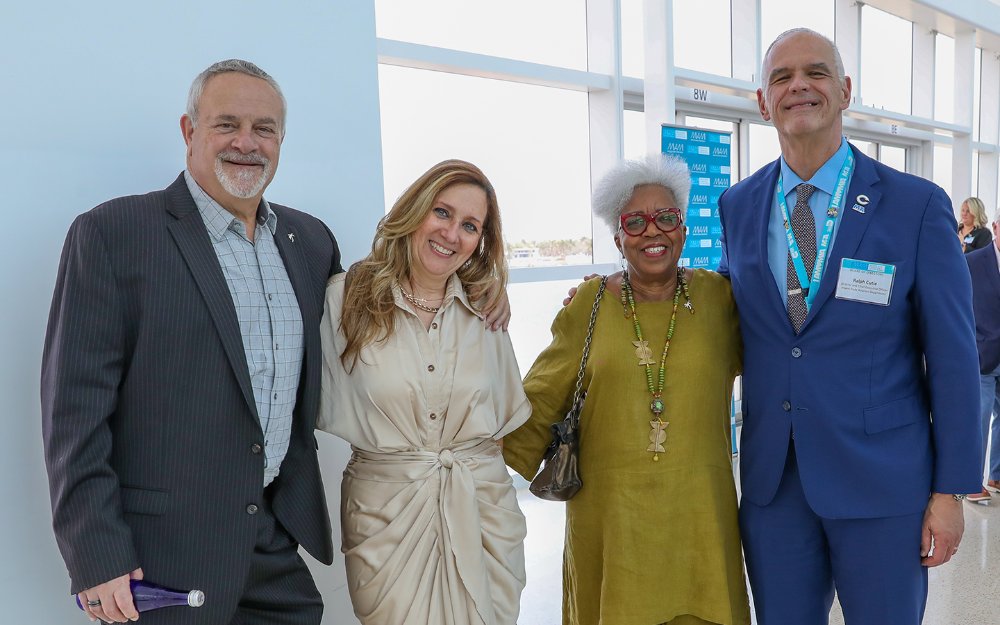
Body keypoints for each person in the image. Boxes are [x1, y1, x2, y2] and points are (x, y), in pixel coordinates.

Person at [41, 59, 341, 625]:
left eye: (265, 129)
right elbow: (74, 417)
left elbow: (372, 315)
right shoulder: (113, 234)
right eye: (227, 124)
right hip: (159, 557)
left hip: (272, 541)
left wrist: (481, 291)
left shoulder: (311, 242)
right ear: (189, 131)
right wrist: (95, 554)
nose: (247, 144)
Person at [717, 28, 981, 625]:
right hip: (774, 487)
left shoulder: (914, 205)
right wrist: (625, 290)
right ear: (763, 102)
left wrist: (949, 492)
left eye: (815, 73)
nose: (798, 86)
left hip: (884, 485)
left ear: (844, 90)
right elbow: (721, 307)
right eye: (781, 77)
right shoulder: (738, 206)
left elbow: (954, 357)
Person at [505, 155, 750, 625]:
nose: (651, 231)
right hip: (610, 527)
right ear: (617, 237)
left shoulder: (720, 300)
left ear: (683, 229)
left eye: (666, 218)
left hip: (699, 523)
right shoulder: (587, 306)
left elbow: (788, 355)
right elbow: (534, 407)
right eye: (634, 221)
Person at [316, 159, 531, 625]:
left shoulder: (485, 310)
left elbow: (499, 428)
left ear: (481, 242)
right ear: (414, 211)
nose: (452, 233)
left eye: (470, 225)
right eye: (442, 212)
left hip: (483, 512)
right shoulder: (345, 300)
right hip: (387, 522)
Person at [965, 210, 1000, 503]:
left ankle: (996, 475)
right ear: (997, 227)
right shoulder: (972, 261)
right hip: (983, 353)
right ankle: (970, 481)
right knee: (979, 417)